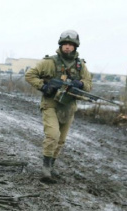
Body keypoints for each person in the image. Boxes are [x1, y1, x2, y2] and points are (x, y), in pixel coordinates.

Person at [25, 30, 93, 182]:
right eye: (65, 44)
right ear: (61, 45)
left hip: (68, 106)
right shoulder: (50, 62)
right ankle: (46, 169)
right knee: (53, 135)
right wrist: (43, 86)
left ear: (75, 47)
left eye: (71, 44)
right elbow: (30, 75)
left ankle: (51, 166)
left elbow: (89, 84)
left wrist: (80, 83)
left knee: (61, 140)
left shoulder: (80, 65)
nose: (67, 47)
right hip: (50, 104)